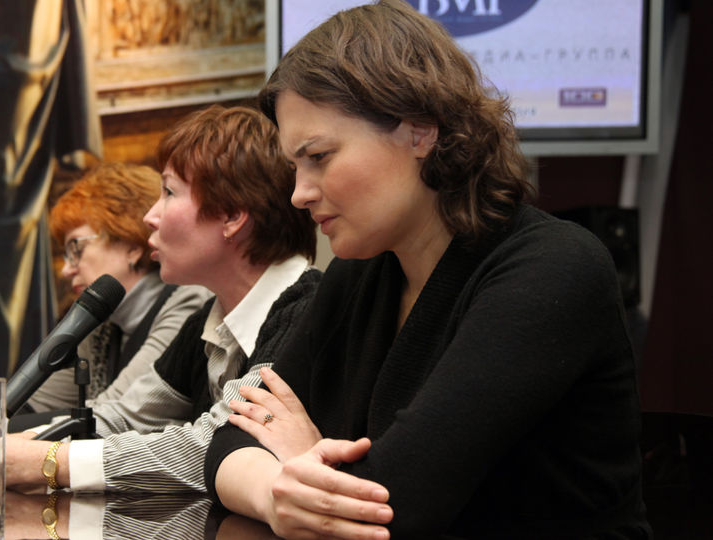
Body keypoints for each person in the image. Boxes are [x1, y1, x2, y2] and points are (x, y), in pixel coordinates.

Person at [204, 2, 652, 539]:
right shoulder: (359, 272)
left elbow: (396, 505)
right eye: (294, 166)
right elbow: (230, 438)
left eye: (318, 156)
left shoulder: (553, 269)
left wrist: (300, 461)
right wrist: (278, 495)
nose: (299, 194)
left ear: (420, 131)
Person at [0, 104, 320, 533]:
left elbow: (211, 446)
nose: (150, 216)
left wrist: (44, 460)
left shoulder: (306, 311)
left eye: (169, 192)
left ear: (232, 217)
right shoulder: (211, 318)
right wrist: (4, 447)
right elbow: (125, 417)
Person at [24, 162, 211, 413]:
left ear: (131, 245)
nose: (66, 269)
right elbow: (32, 404)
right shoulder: (104, 326)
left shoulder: (188, 302)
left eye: (76, 248)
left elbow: (115, 412)